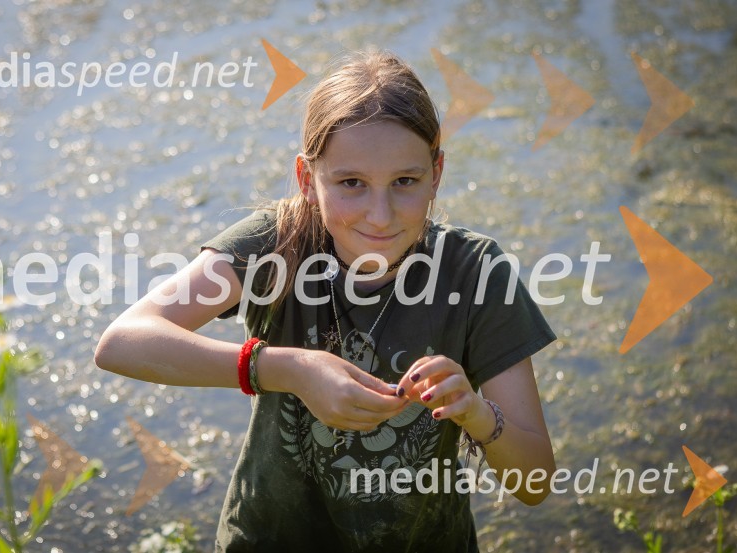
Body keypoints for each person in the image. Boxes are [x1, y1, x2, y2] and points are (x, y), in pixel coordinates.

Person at [95, 49, 557, 552]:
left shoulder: (477, 273)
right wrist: (286, 368)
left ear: (437, 173)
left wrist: (474, 411)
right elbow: (122, 342)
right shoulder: (275, 243)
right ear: (306, 179)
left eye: (405, 181)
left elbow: (534, 484)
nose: (379, 215)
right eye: (351, 183)